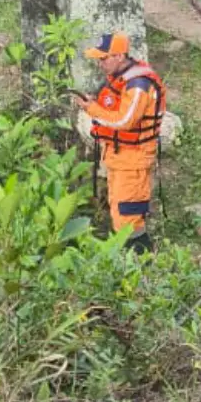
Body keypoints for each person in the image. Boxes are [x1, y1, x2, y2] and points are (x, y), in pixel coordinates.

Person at [71, 32, 166, 253]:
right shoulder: (121, 78)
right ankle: (128, 263)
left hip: (133, 159)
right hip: (119, 157)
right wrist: (94, 103)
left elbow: (125, 120)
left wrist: (91, 109)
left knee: (128, 215)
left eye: (104, 58)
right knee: (119, 211)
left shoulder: (138, 85)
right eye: (99, 58)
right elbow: (115, 108)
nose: (100, 63)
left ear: (120, 56)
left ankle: (141, 263)